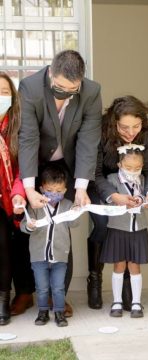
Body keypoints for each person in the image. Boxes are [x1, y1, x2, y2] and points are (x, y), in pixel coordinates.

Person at [18, 50, 102, 316]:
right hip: (37, 161)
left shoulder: (91, 91)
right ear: (50, 72)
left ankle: (59, 296)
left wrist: (80, 188)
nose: (65, 94)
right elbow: (28, 137)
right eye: (59, 88)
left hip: (70, 163)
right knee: (29, 225)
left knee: (62, 225)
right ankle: (26, 292)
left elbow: (89, 140)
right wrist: (29, 188)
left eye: (71, 90)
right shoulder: (30, 88)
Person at [93, 96, 148, 310]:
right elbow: (96, 173)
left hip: (135, 185)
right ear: (114, 123)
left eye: (136, 126)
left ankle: (129, 282)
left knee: (132, 228)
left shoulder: (147, 133)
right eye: (124, 127)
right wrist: (113, 196)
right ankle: (95, 278)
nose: (131, 133)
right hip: (105, 184)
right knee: (104, 224)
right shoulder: (101, 132)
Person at [20, 164, 80, 327]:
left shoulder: (67, 205)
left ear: (65, 190)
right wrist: (29, 226)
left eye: (59, 191)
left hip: (60, 255)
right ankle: (43, 312)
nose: (54, 194)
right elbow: (23, 226)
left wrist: (77, 211)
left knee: (59, 287)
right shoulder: (35, 205)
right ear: (41, 188)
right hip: (38, 256)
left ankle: (59, 313)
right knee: (42, 287)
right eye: (50, 190)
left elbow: (74, 224)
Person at [100, 145, 148, 318]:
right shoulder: (112, 179)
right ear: (119, 164)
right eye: (129, 168)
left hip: (138, 228)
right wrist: (120, 202)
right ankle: (117, 301)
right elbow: (107, 202)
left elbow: (146, 198)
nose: (133, 171)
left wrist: (142, 200)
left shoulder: (142, 180)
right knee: (119, 264)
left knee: (134, 265)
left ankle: (136, 302)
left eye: (137, 168)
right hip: (118, 228)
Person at [0, 72, 30, 325]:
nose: (0, 96)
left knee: (20, 249)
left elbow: (23, 166)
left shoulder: (18, 125)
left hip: (15, 197)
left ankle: (20, 295)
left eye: (4, 91)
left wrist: (19, 192)